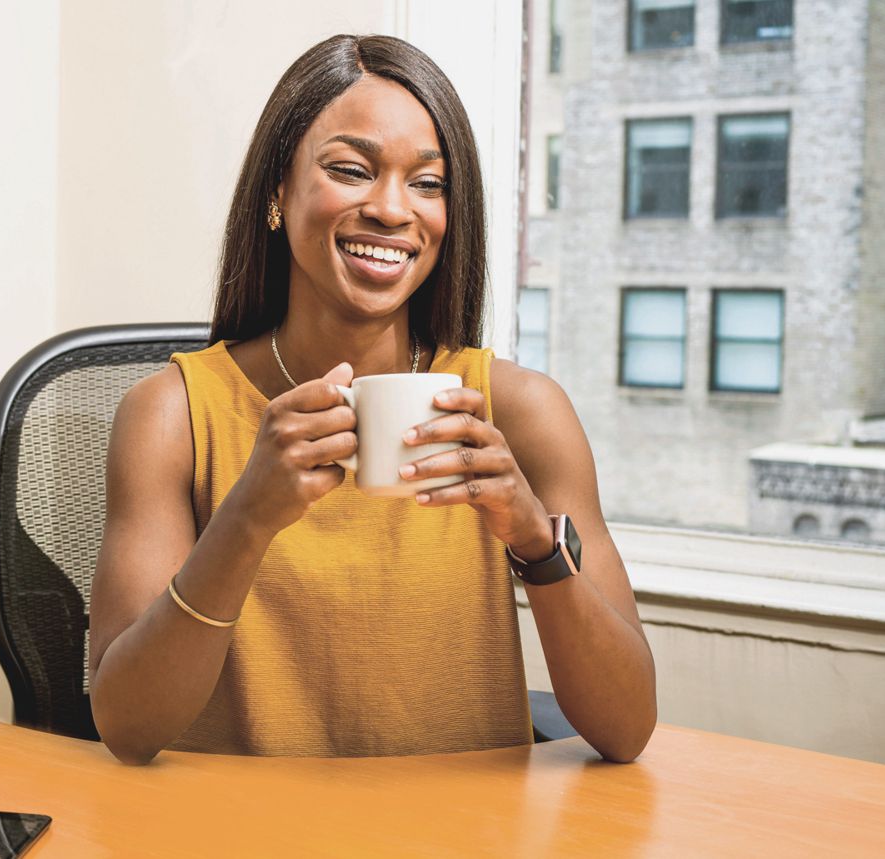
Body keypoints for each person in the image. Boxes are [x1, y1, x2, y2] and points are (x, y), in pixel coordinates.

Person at [88, 34, 656, 764]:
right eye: (351, 170)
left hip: (461, 832)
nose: (392, 209)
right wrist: (246, 518)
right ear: (276, 191)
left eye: (427, 183)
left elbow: (628, 726)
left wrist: (534, 541)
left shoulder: (521, 411)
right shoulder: (170, 416)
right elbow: (128, 726)